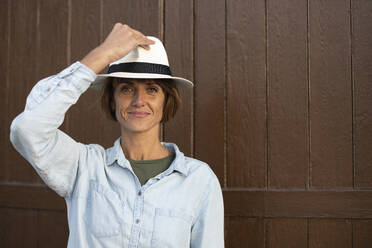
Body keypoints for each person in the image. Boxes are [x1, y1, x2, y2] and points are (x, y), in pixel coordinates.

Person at [10, 23, 224, 247]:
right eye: (126, 88)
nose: (138, 101)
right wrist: (103, 54)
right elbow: (27, 129)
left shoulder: (199, 180)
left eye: (151, 89)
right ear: (112, 100)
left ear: (166, 100)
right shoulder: (83, 168)